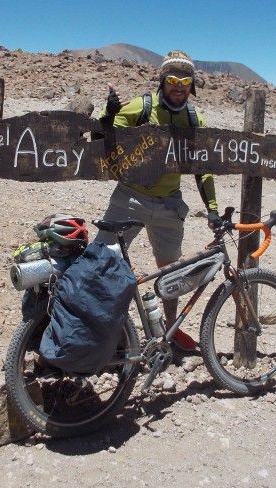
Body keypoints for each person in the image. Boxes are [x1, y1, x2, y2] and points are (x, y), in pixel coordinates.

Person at [95, 50, 221, 352]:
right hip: (131, 198)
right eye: (173, 79)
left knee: (170, 272)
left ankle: (169, 329)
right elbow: (105, 133)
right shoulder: (143, 106)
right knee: (102, 261)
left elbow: (201, 167)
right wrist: (110, 112)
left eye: (185, 80)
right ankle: (100, 332)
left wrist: (213, 209)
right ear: (162, 81)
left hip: (169, 204)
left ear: (192, 85)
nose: (178, 86)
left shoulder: (194, 119)